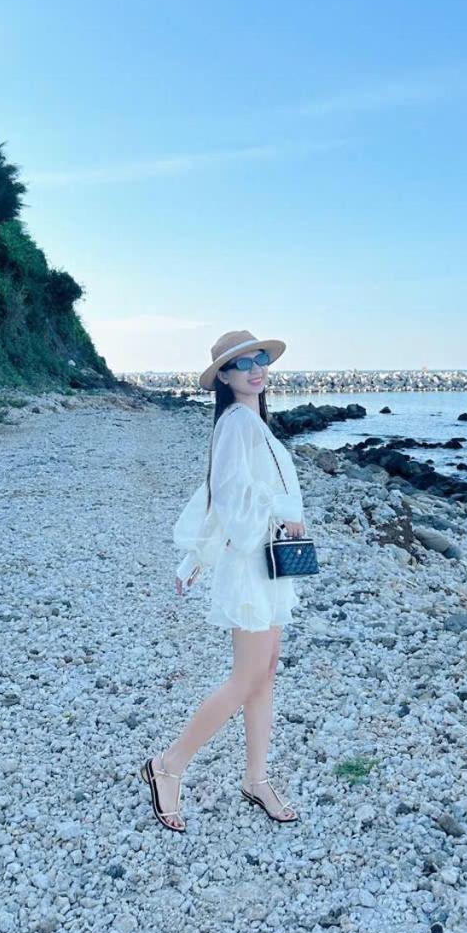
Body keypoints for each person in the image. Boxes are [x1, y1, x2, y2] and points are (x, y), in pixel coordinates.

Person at [140, 329, 307, 832]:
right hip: (252, 563)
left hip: (267, 562)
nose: (256, 369)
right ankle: (168, 765)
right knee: (247, 677)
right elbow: (230, 499)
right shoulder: (236, 423)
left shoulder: (250, 421)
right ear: (225, 377)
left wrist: (197, 556)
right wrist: (282, 513)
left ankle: (256, 778)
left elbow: (217, 493)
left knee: (266, 671)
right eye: (243, 364)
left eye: (261, 359)